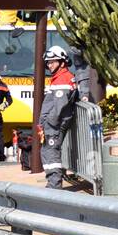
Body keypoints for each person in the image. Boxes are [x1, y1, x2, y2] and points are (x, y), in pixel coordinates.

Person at [39, 46, 80, 188]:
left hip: (54, 125)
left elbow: (59, 106)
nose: (49, 65)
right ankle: (53, 183)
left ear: (62, 62)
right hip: (52, 125)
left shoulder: (62, 79)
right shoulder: (59, 78)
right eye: (48, 62)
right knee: (48, 152)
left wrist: (49, 122)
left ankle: (54, 185)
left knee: (51, 153)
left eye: (53, 62)